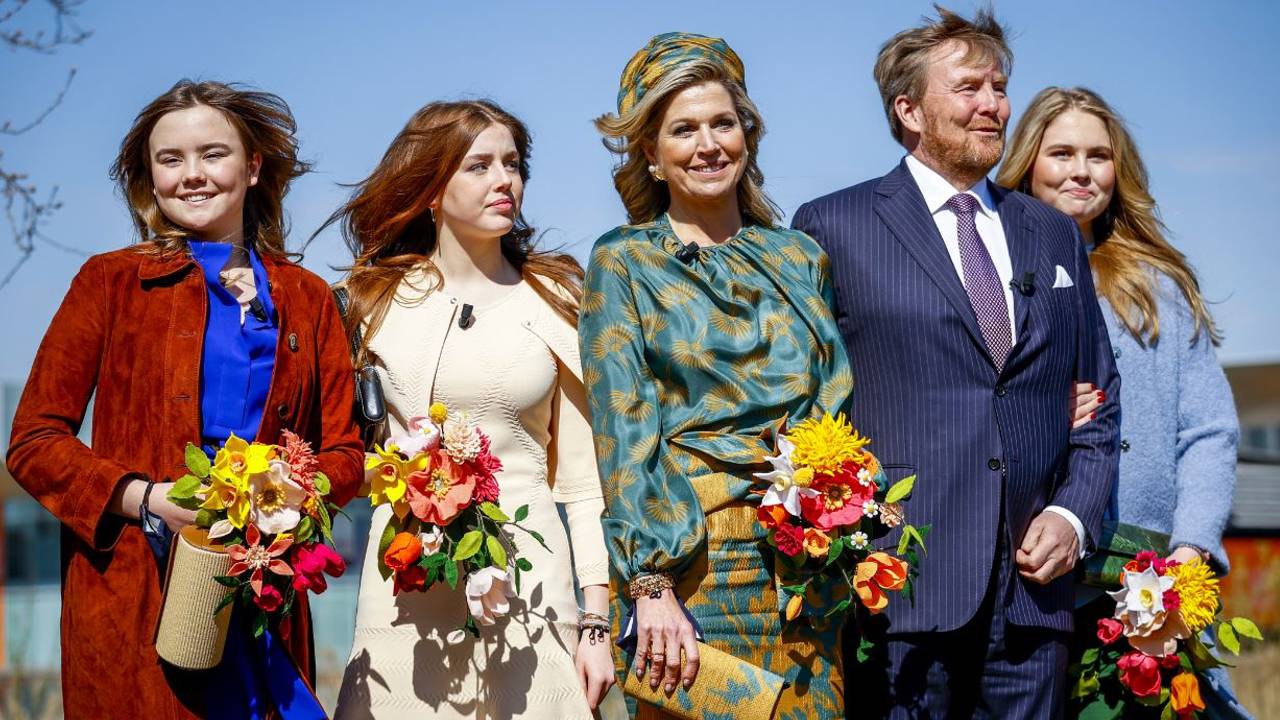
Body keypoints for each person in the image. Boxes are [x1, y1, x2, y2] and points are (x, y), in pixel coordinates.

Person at [791, 7, 1121, 717]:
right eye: (969, 88)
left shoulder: (1052, 232)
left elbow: (1100, 393)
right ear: (909, 110)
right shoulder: (833, 225)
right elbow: (808, 400)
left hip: (1034, 595)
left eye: (999, 87)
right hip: (902, 584)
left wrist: (1072, 513)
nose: (993, 104)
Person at [5, 80, 363, 718]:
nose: (192, 174)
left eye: (212, 154)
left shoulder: (308, 297)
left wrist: (288, 495)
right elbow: (34, 442)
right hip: (137, 601)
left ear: (253, 167)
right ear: (151, 177)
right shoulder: (109, 282)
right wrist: (147, 499)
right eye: (170, 159)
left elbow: (345, 452)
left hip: (266, 595)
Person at [581, 31, 852, 719]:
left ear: (747, 135)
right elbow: (624, 429)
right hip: (692, 570)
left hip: (804, 570)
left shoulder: (800, 258)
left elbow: (831, 406)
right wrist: (650, 584)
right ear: (651, 153)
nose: (708, 145)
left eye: (723, 123)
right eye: (684, 130)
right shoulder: (623, 261)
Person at [328, 99, 615, 719]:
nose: (504, 180)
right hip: (404, 581)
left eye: (512, 164)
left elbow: (584, 482)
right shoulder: (367, 301)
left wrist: (596, 621)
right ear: (431, 188)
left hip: (532, 579)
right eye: (479, 165)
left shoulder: (556, 297)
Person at [998, 86, 1251, 719]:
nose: (1081, 171)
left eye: (1098, 156)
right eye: (1061, 153)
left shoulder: (1158, 285)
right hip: (1024, 578)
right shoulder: (987, 270)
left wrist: (1190, 551)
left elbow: (1208, 431)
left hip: (1144, 580)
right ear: (1027, 162)